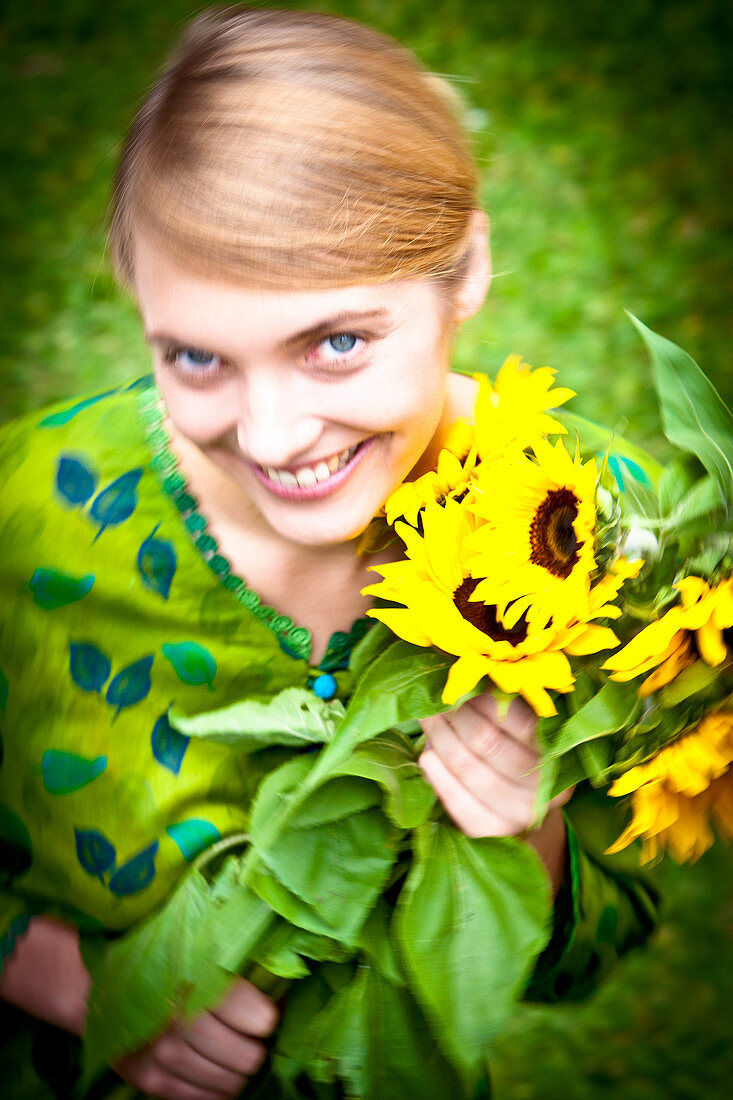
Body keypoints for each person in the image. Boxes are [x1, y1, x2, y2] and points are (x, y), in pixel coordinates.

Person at [0, 8, 657, 1099]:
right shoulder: (33, 519)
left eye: (337, 342)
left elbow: (599, 938)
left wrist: (527, 830)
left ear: (467, 269)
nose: (270, 434)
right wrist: (67, 978)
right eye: (199, 356)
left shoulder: (597, 527)